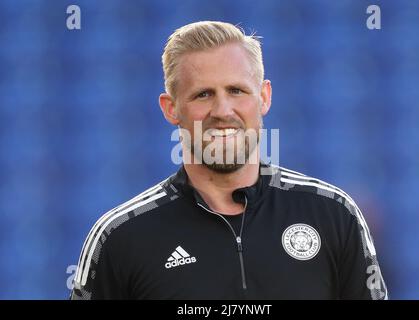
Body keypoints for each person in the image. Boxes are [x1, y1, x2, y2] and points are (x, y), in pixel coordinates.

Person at [71, 21, 388, 300]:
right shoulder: (121, 237)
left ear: (264, 97)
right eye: (203, 94)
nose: (223, 111)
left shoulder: (333, 215)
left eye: (236, 90)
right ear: (171, 108)